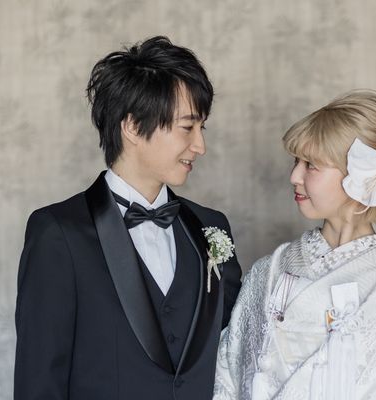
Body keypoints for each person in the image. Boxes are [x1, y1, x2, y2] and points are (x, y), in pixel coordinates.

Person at [14, 36, 242, 400]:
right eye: (187, 127)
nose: (200, 146)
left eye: (202, 128)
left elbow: (237, 348)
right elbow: (39, 381)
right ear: (133, 126)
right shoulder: (58, 233)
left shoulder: (211, 227)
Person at [214, 90, 376, 399]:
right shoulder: (271, 270)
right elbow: (228, 375)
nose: (294, 176)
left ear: (358, 177)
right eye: (296, 161)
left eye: (311, 165)